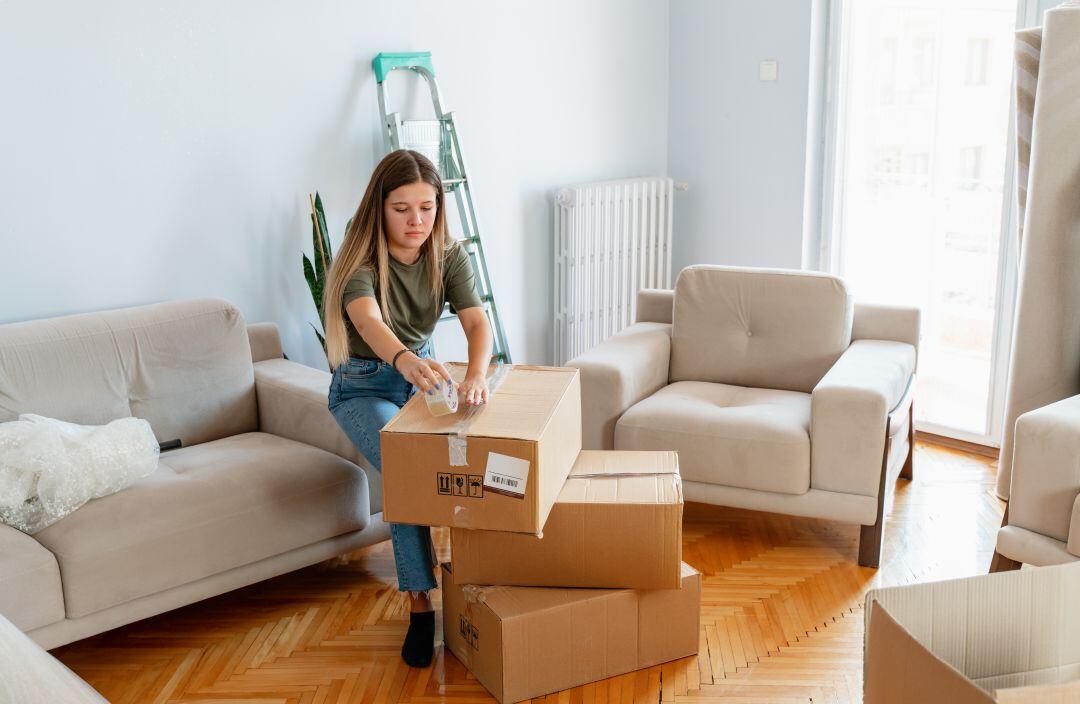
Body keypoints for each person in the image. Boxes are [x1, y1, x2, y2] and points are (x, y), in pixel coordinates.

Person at [322, 149, 493, 668]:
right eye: (402, 208)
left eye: (427, 207)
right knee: (406, 473)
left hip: (421, 381)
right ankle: (421, 606)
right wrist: (403, 359)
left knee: (473, 465)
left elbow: (477, 324)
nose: (417, 221)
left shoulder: (450, 254)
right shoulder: (359, 260)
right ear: (380, 206)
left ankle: (482, 588)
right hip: (363, 386)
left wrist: (478, 374)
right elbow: (369, 321)